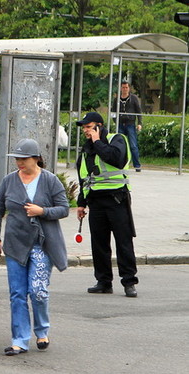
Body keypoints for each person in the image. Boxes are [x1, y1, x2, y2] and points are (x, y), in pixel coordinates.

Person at [0, 138, 70, 356]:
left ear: (36, 158)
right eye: (17, 159)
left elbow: (64, 209)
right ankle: (20, 340)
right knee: (17, 294)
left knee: (37, 291)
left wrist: (42, 211)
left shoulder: (50, 180)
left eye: (23, 159)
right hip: (15, 244)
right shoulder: (8, 181)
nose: (19, 163)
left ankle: (42, 330)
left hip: (42, 246)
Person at [75, 111, 138, 298]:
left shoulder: (117, 139)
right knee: (99, 244)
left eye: (88, 126)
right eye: (84, 128)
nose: (85, 130)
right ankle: (103, 282)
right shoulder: (87, 149)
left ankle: (129, 282)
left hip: (117, 199)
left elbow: (115, 159)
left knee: (123, 242)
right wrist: (81, 203)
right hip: (96, 202)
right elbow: (84, 178)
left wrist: (97, 141)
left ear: (99, 126)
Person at [114, 81, 142, 172]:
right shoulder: (117, 99)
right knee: (119, 145)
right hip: (120, 124)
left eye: (126, 87)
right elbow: (113, 111)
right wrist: (115, 121)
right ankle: (120, 164)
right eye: (123, 87)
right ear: (120, 88)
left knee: (133, 145)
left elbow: (138, 111)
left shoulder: (133, 98)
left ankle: (137, 165)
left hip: (130, 124)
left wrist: (139, 123)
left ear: (129, 88)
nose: (124, 89)